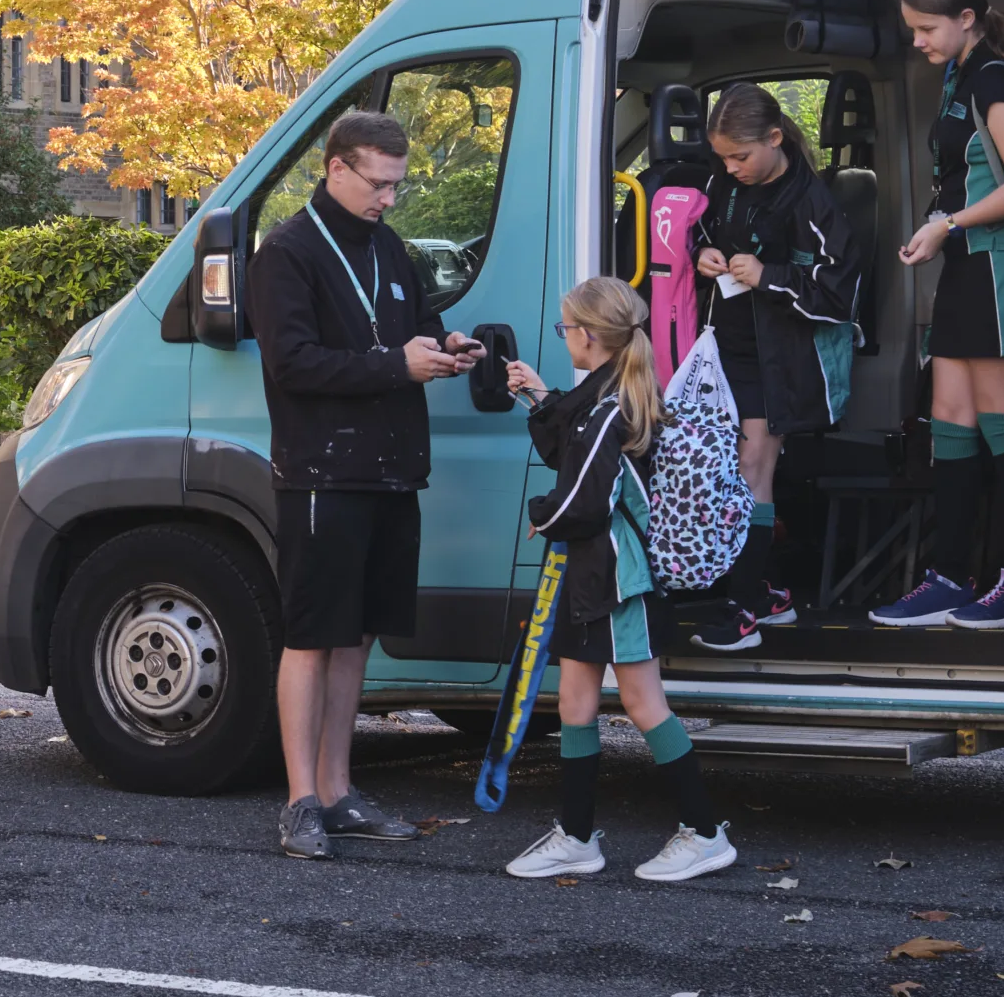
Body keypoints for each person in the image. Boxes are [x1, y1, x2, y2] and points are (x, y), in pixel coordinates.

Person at [248, 111, 482, 861]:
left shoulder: (387, 246)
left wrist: (446, 346)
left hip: (390, 470)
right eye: (378, 183)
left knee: (357, 639)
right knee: (312, 636)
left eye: (397, 184)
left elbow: (412, 323)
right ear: (336, 168)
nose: (389, 198)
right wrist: (395, 366)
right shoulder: (285, 253)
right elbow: (292, 365)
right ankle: (299, 803)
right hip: (321, 472)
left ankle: (340, 789)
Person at [501, 277, 735, 882]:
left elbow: (582, 497)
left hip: (618, 578)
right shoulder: (607, 396)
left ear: (589, 336)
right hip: (595, 572)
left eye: (565, 329)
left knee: (642, 701)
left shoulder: (611, 409)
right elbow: (571, 449)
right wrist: (536, 395)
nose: (564, 338)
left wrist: (540, 518)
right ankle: (577, 835)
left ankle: (705, 832)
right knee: (574, 702)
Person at [872, 0, 1004, 630]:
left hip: (998, 267)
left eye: (925, 27)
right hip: (963, 270)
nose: (917, 39)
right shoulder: (961, 77)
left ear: (966, 20)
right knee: (948, 426)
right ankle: (951, 575)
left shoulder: (995, 80)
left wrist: (946, 223)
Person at [686, 83, 867, 651]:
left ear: (774, 137)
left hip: (780, 358)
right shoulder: (721, 184)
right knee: (725, 470)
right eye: (722, 158)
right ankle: (764, 593)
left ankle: (740, 611)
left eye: (741, 156)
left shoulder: (812, 200)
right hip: (722, 349)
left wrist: (770, 276)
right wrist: (702, 254)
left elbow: (841, 293)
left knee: (752, 471)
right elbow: (701, 231)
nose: (730, 167)